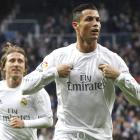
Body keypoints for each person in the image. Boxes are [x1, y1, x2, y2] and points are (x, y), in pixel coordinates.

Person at [21, 3, 140, 140]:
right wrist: (53, 72)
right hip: (66, 135)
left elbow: (137, 98)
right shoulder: (58, 56)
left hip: (100, 136)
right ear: (75, 25)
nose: (95, 24)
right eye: (89, 19)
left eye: (98, 20)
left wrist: (119, 77)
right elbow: (25, 86)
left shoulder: (112, 59)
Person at [0, 42, 53, 140]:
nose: (16, 64)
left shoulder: (36, 90)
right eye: (12, 60)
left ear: (25, 68)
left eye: (20, 61)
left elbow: (48, 120)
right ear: (3, 66)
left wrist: (24, 123)